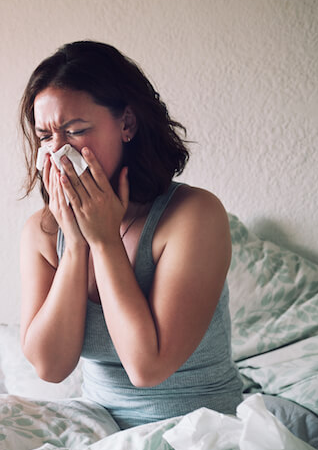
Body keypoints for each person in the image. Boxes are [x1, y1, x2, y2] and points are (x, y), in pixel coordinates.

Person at [18, 41, 243, 429]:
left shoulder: (194, 216)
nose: (56, 154)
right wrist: (75, 245)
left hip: (196, 433)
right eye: (44, 137)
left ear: (127, 124)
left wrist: (104, 241)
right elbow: (50, 367)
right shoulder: (43, 231)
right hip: (100, 434)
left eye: (74, 132)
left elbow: (146, 367)